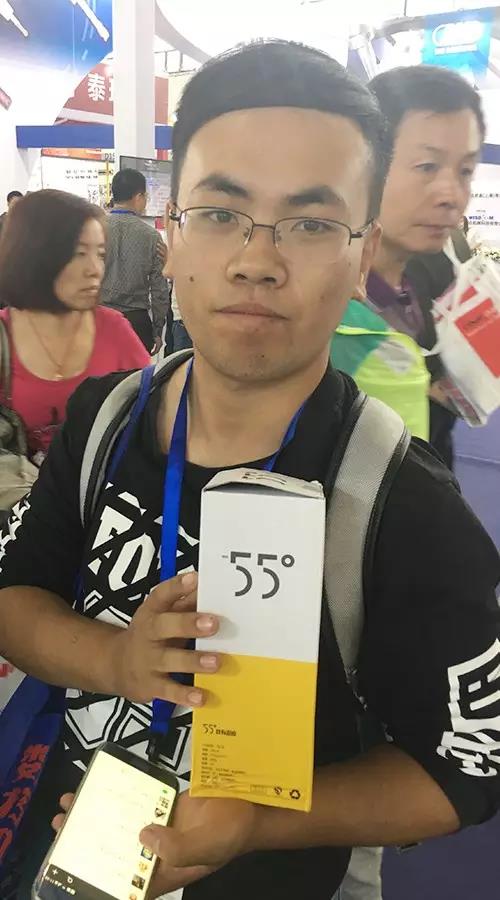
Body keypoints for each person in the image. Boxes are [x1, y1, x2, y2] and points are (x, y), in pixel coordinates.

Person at [0, 41, 498, 900]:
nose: (255, 260)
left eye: (311, 224)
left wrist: (261, 823)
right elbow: (16, 597)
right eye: (220, 212)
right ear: (171, 234)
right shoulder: (106, 418)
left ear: (363, 253)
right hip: (80, 845)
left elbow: (464, 773)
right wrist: (117, 661)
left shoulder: (402, 503)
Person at [366, 66, 485, 469]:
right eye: (427, 167)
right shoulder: (314, 297)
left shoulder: (441, 268)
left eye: (465, 171)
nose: (452, 195)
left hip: (431, 478)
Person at [0, 189, 150, 464]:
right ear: (34, 255)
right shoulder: (3, 335)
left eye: (100, 254)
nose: (95, 269)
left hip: (99, 487)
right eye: (79, 253)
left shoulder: (114, 329)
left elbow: (153, 413)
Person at [100, 168, 171, 354]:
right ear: (139, 197)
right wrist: (157, 329)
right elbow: (159, 289)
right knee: (135, 373)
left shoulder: (96, 229)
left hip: (99, 319)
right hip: (136, 324)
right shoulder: (151, 237)